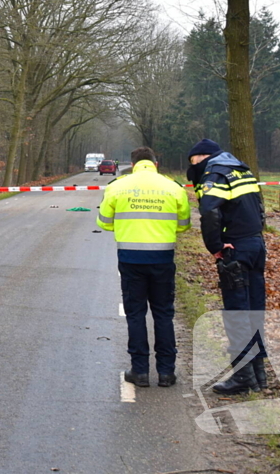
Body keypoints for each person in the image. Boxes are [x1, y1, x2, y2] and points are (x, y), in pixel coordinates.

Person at [97, 147, 190, 388]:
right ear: (155, 163)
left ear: (134, 163)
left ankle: (139, 372)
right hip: (163, 258)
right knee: (164, 314)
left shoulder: (117, 187)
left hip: (130, 259)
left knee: (135, 314)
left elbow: (104, 223)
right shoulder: (174, 188)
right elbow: (184, 225)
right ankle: (167, 372)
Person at [186, 138, 267, 394]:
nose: (193, 167)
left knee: (236, 313)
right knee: (255, 310)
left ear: (202, 157)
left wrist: (216, 246)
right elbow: (260, 208)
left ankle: (243, 377)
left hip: (236, 250)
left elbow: (209, 212)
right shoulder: (240, 169)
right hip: (255, 245)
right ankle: (258, 374)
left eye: (193, 161)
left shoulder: (215, 174)